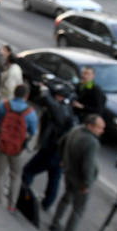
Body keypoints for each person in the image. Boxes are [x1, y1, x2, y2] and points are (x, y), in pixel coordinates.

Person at [50, 114, 105, 231]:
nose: (101, 131)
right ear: (91, 126)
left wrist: (63, 160)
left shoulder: (76, 129)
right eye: (99, 128)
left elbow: (61, 142)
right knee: (78, 209)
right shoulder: (92, 142)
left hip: (69, 173)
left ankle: (55, 223)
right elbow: (89, 165)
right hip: (80, 180)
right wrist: (87, 183)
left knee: (66, 199)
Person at [22, 83, 77, 211]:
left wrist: (46, 93)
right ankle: (47, 203)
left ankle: (24, 196)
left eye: (58, 96)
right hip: (58, 153)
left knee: (29, 170)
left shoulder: (61, 110)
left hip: (51, 151)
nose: (56, 98)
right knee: (54, 178)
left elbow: (53, 106)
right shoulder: (67, 109)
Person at [0, 84, 38, 213]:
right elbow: (33, 131)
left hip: (2, 144)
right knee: (16, 176)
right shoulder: (30, 112)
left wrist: (1, 128)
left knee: (0, 173)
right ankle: (11, 205)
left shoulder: (3, 106)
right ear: (26, 96)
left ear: (14, 93)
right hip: (18, 149)